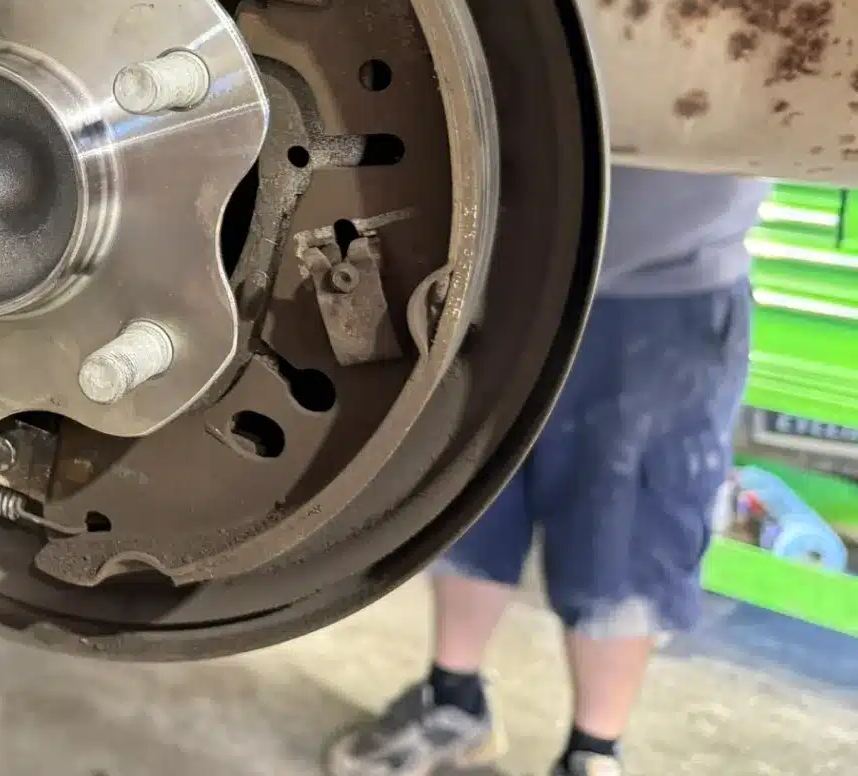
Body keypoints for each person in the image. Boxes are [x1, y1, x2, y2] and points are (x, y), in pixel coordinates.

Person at [326, 168, 767, 776]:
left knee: (625, 550)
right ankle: (454, 701)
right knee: (469, 507)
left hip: (659, 288)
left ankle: (592, 753)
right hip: (502, 267)